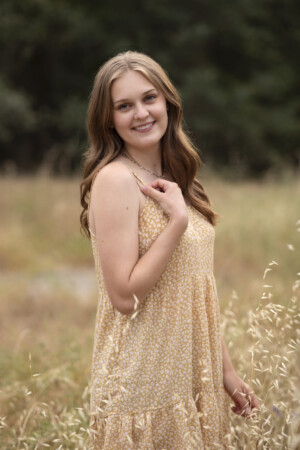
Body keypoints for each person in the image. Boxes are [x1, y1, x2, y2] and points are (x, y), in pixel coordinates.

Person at [80, 51, 259, 449]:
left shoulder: (177, 178)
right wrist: (176, 224)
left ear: (168, 102)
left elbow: (195, 290)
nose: (140, 113)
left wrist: (226, 373)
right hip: (144, 387)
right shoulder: (115, 180)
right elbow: (124, 297)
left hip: (193, 379)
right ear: (107, 118)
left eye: (149, 98)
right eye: (124, 106)